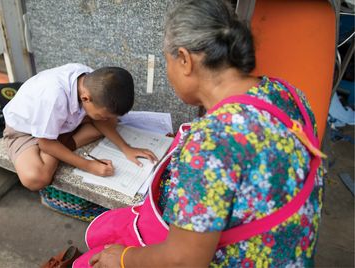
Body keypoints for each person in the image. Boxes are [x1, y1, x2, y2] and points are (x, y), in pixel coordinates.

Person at [73, 0, 325, 267]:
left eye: (166, 59)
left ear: (184, 59)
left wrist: (123, 258)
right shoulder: (288, 94)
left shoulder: (210, 141)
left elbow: (184, 261)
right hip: (293, 257)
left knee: (91, 262)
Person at [3, 63, 157, 191]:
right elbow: (45, 143)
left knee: (111, 121)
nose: (104, 119)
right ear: (85, 98)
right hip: (25, 131)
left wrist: (126, 148)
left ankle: (60, 142)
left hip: (62, 123)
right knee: (36, 178)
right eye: (101, 115)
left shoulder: (90, 79)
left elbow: (105, 120)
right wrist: (89, 165)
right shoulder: (54, 96)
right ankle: (60, 144)